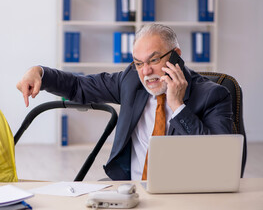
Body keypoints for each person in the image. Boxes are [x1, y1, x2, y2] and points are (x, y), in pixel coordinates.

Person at [16, 23, 233, 180]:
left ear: (176, 55)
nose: (146, 71)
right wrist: (39, 73)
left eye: (154, 60)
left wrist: (178, 106)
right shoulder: (130, 81)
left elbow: (219, 162)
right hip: (130, 190)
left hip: (183, 196)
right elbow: (78, 86)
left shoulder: (214, 96)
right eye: (138, 63)